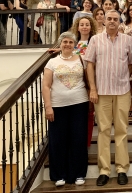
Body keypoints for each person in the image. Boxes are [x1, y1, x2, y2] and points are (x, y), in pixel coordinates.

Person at [84, 10, 132, 186]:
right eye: (109, 19)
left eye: (115, 19)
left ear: (120, 22)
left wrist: (122, 78)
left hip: (122, 91)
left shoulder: (128, 40)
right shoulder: (95, 40)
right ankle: (104, 170)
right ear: (103, 21)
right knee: (104, 131)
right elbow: (89, 64)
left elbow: (131, 63)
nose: (112, 21)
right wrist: (93, 88)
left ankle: (121, 169)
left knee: (122, 130)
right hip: (102, 92)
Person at [42, 32, 89, 187]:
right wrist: (48, 106)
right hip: (57, 106)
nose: (67, 44)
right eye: (64, 42)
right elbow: (46, 85)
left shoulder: (81, 60)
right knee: (58, 141)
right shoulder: (52, 63)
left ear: (74, 44)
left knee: (79, 139)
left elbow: (87, 79)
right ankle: (59, 175)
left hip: (79, 103)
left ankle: (79, 174)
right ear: (60, 44)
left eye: (70, 42)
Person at [72, 16, 97, 148]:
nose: (84, 27)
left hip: (91, 80)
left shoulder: (96, 42)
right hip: (76, 81)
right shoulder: (73, 43)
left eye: (87, 24)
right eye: (82, 24)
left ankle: (87, 142)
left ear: (91, 27)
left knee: (89, 111)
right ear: (78, 27)